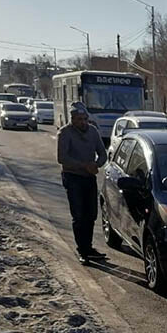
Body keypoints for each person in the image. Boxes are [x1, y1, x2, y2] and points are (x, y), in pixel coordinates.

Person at [56, 102, 108, 265]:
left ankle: (89, 247)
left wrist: (97, 165)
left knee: (91, 214)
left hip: (89, 177)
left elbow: (102, 154)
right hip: (73, 178)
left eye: (85, 119)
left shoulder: (92, 131)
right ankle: (82, 250)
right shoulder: (65, 133)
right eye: (79, 119)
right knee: (79, 215)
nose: (82, 122)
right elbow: (62, 158)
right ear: (72, 119)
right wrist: (84, 165)